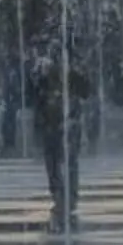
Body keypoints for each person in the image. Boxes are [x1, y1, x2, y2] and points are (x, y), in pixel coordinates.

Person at [27, 44, 88, 232]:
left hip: (69, 127)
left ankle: (69, 195)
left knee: (69, 161)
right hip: (51, 127)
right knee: (53, 163)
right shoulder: (45, 77)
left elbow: (86, 92)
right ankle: (59, 194)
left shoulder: (73, 76)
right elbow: (35, 98)